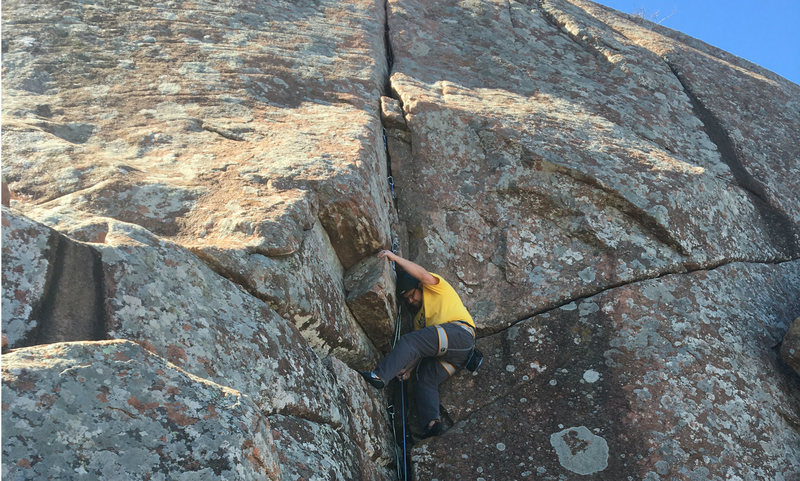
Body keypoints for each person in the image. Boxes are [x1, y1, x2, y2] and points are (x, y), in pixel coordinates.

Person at [360, 250, 477, 438]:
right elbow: (420, 350)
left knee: (409, 341)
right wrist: (407, 370)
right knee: (424, 379)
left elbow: (421, 273)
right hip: (455, 355)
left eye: (412, 294)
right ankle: (432, 424)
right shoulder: (418, 321)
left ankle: (379, 376)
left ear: (419, 287)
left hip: (460, 335)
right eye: (407, 299)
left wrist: (396, 258)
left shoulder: (436, 287)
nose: (411, 300)